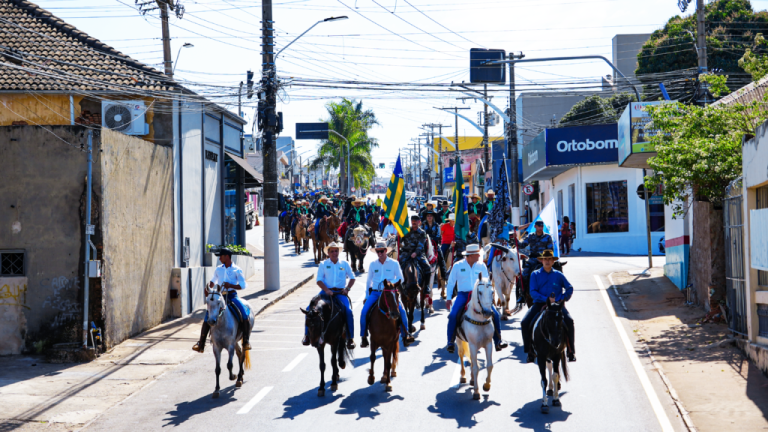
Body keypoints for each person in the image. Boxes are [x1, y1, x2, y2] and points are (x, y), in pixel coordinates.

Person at [444, 244, 508, 353]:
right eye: (477, 254)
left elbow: (487, 283)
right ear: (470, 255)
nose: (479, 256)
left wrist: (490, 298)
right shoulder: (457, 265)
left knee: (496, 314)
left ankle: (498, 341)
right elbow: (451, 283)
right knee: (453, 315)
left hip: (480, 295)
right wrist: (449, 298)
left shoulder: (481, 266)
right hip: (463, 295)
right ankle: (450, 341)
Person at [520, 249, 575, 363]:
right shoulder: (535, 274)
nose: (547, 261)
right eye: (545, 259)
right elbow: (533, 292)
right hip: (540, 304)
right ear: (541, 261)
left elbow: (569, 288)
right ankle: (529, 351)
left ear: (553, 261)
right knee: (525, 322)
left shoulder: (559, 275)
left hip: (556, 306)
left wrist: (562, 298)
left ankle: (571, 351)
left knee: (569, 321)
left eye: (549, 259)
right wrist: (546, 299)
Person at [192, 247, 251, 353]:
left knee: (244, 313)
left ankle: (246, 341)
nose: (219, 258)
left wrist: (231, 285)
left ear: (226, 256)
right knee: (208, 316)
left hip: (232, 296)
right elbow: (213, 281)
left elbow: (243, 285)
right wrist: (208, 288)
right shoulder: (218, 269)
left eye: (221, 256)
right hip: (219, 297)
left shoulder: (237, 270)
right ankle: (201, 343)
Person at [302, 242, 357, 349]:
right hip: (325, 293)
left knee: (348, 311)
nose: (334, 253)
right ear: (328, 253)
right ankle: (307, 335)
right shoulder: (323, 264)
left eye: (336, 251)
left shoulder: (344, 264)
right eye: (332, 251)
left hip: (340, 293)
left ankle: (350, 338)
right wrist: (326, 290)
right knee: (309, 309)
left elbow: (352, 277)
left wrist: (347, 289)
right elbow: (319, 280)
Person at [361, 240, 415, 347]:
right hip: (376, 293)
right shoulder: (372, 264)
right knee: (364, 312)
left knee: (402, 311)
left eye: (381, 251)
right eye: (378, 251)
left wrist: (391, 283)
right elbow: (368, 282)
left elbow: (401, 278)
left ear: (386, 251)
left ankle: (406, 335)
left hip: (390, 292)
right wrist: (367, 296)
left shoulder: (394, 263)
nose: (380, 253)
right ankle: (363, 336)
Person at [398, 214, 430, 285]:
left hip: (418, 253)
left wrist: (415, 253)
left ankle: (426, 287)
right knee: (397, 265)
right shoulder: (406, 231)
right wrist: (398, 235)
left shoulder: (422, 232)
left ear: (419, 222)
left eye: (415, 221)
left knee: (428, 267)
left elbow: (420, 245)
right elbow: (399, 241)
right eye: (412, 221)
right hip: (406, 253)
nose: (413, 222)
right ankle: (398, 285)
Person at [422, 209, 448, 278]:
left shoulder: (437, 225)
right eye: (428, 216)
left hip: (434, 244)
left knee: (441, 256)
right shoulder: (423, 225)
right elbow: (421, 234)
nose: (429, 217)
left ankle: (444, 275)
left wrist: (432, 239)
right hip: (425, 244)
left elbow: (438, 235)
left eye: (431, 216)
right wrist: (426, 239)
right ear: (426, 217)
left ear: (433, 217)